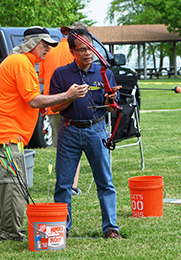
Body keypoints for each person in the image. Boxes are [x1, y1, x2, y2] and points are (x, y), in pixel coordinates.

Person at [0, 26, 89, 242]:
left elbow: (27, 99)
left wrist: (39, 104)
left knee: (7, 185)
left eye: (50, 45)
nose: (48, 49)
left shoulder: (19, 62)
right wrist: (68, 94)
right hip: (9, 136)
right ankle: (11, 233)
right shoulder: (21, 63)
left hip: (10, 135)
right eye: (45, 44)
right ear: (32, 44)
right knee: (14, 185)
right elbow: (33, 99)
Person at [49, 27, 122, 238]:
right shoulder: (61, 74)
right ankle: (62, 229)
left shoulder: (104, 72)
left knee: (105, 182)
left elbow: (109, 107)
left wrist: (110, 101)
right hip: (69, 131)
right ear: (72, 51)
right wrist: (70, 96)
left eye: (90, 48)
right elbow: (55, 108)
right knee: (63, 184)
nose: (87, 53)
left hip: (96, 130)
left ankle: (111, 228)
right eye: (81, 49)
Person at [39, 23, 88, 196]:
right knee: (75, 147)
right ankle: (72, 186)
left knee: (62, 147)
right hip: (71, 106)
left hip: (52, 105)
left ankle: (63, 184)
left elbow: (43, 78)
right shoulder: (76, 51)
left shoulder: (49, 50)